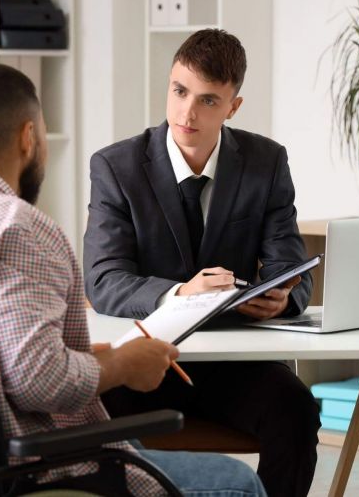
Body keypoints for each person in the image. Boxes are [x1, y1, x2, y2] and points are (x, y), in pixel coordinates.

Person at [0, 62, 266, 496]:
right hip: (26, 469)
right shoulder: (17, 229)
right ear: (28, 137)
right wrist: (125, 364)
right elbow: (40, 383)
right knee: (237, 482)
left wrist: (82, 353)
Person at [83, 29, 321, 496]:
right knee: (96, 419)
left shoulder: (266, 162)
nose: (187, 112)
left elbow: (293, 271)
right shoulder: (115, 167)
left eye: (208, 100)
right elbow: (103, 281)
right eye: (179, 91)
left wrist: (280, 298)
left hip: (232, 364)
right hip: (141, 362)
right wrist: (177, 293)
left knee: (295, 409)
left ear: (233, 106)